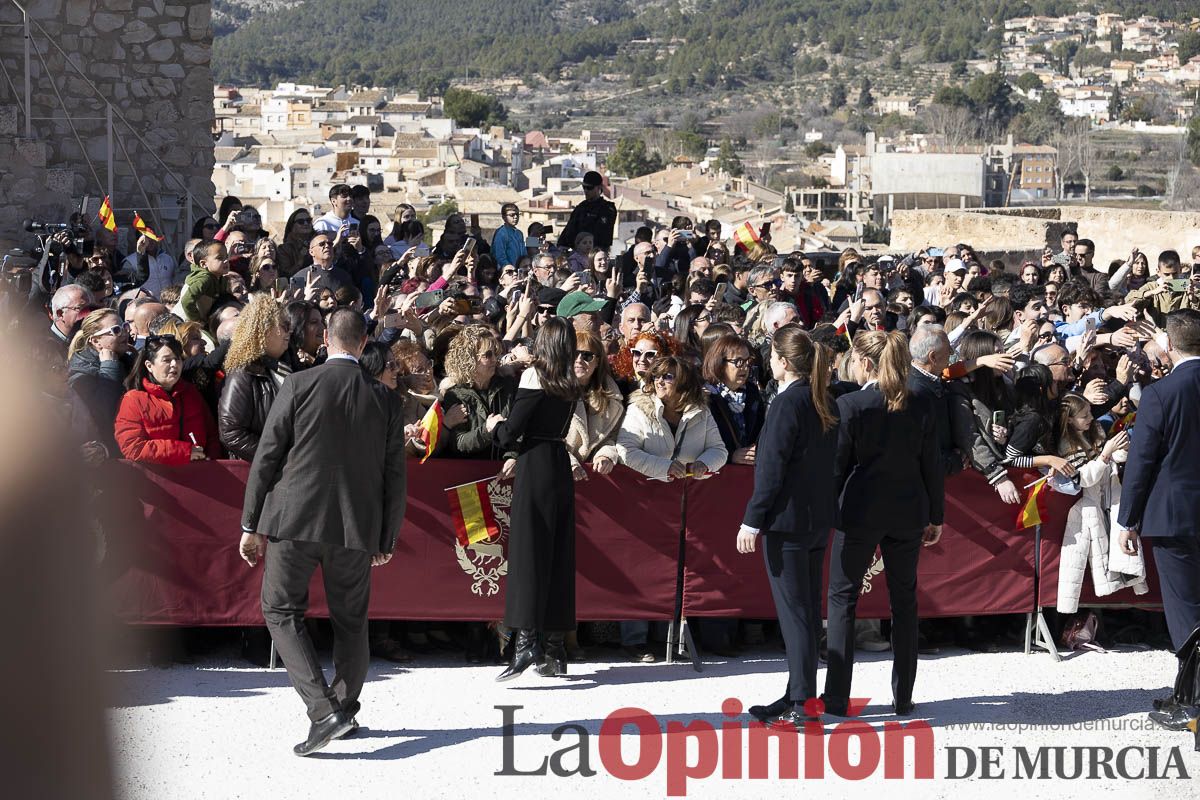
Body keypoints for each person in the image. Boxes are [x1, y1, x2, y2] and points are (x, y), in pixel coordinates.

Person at [239, 308, 406, 756]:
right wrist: (386, 537)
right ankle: (343, 709)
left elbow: (267, 457)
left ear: (326, 340)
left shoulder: (297, 383)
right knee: (352, 621)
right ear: (364, 343)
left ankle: (324, 710)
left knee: (279, 610)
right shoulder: (386, 398)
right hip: (355, 526)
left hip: (293, 519)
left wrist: (250, 522)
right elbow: (394, 474)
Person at [823, 330, 944, 718]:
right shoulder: (921, 402)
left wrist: (828, 511)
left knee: (843, 598)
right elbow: (932, 466)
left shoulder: (851, 405)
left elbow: (837, 468)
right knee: (904, 601)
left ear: (867, 363)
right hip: (908, 512)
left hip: (858, 512)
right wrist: (936, 515)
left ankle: (838, 698)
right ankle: (903, 697)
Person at [735, 324, 838, 728]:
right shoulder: (819, 399)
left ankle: (804, 703)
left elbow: (771, 471)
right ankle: (797, 692)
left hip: (788, 524)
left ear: (780, 360)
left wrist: (751, 520)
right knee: (806, 613)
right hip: (814, 521)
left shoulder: (787, 403)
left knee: (797, 616)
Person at [1117, 309, 1200, 732]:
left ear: (1168, 344)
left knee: (1187, 612)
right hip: (1179, 514)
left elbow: (1142, 461)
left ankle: (1195, 706)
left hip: (1176, 516)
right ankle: (1187, 692)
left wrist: (1127, 519)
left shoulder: (1161, 392)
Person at [615, 354, 728, 661]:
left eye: (666, 377)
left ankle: (666, 639)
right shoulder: (638, 409)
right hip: (645, 503)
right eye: (655, 377)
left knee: (677, 571)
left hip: (685, 505)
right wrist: (665, 467)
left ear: (683, 383)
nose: (659, 383)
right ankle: (635, 639)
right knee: (640, 569)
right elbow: (627, 452)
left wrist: (705, 464)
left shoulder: (701, 412)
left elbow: (719, 449)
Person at [492, 317, 581, 681]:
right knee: (559, 555)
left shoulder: (534, 377)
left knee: (530, 554)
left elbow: (512, 431)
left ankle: (527, 643)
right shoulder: (571, 382)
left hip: (534, 464)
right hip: (559, 462)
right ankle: (556, 649)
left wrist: (492, 425)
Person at [114, 334, 221, 464]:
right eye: (167, 360)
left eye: (178, 359)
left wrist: (210, 460)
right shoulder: (133, 400)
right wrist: (184, 452)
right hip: (159, 480)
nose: (174, 364)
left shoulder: (191, 393)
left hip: (199, 475)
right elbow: (132, 447)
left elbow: (212, 434)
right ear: (149, 365)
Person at [218, 295, 292, 461]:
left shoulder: (283, 367)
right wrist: (277, 457)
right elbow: (231, 433)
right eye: (284, 325)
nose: (290, 331)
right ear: (263, 330)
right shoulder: (243, 374)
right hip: (260, 473)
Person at [565, 330, 623, 481]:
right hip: (560, 472)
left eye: (587, 356)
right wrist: (569, 463)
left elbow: (612, 438)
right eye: (574, 354)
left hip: (594, 478)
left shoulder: (611, 397)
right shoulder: (553, 392)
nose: (579, 360)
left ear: (597, 362)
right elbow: (548, 439)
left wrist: (606, 455)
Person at [703, 333, 765, 466]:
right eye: (738, 362)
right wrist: (730, 455)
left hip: (747, 473)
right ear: (719, 363)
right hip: (717, 474)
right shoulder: (706, 397)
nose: (744, 367)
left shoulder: (753, 393)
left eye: (747, 361)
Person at [557, 171, 617, 253]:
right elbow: (568, 233)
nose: (586, 191)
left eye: (589, 188)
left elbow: (602, 235)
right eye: (584, 187)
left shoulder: (607, 209)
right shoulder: (580, 208)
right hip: (577, 253)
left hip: (597, 253)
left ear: (599, 187)